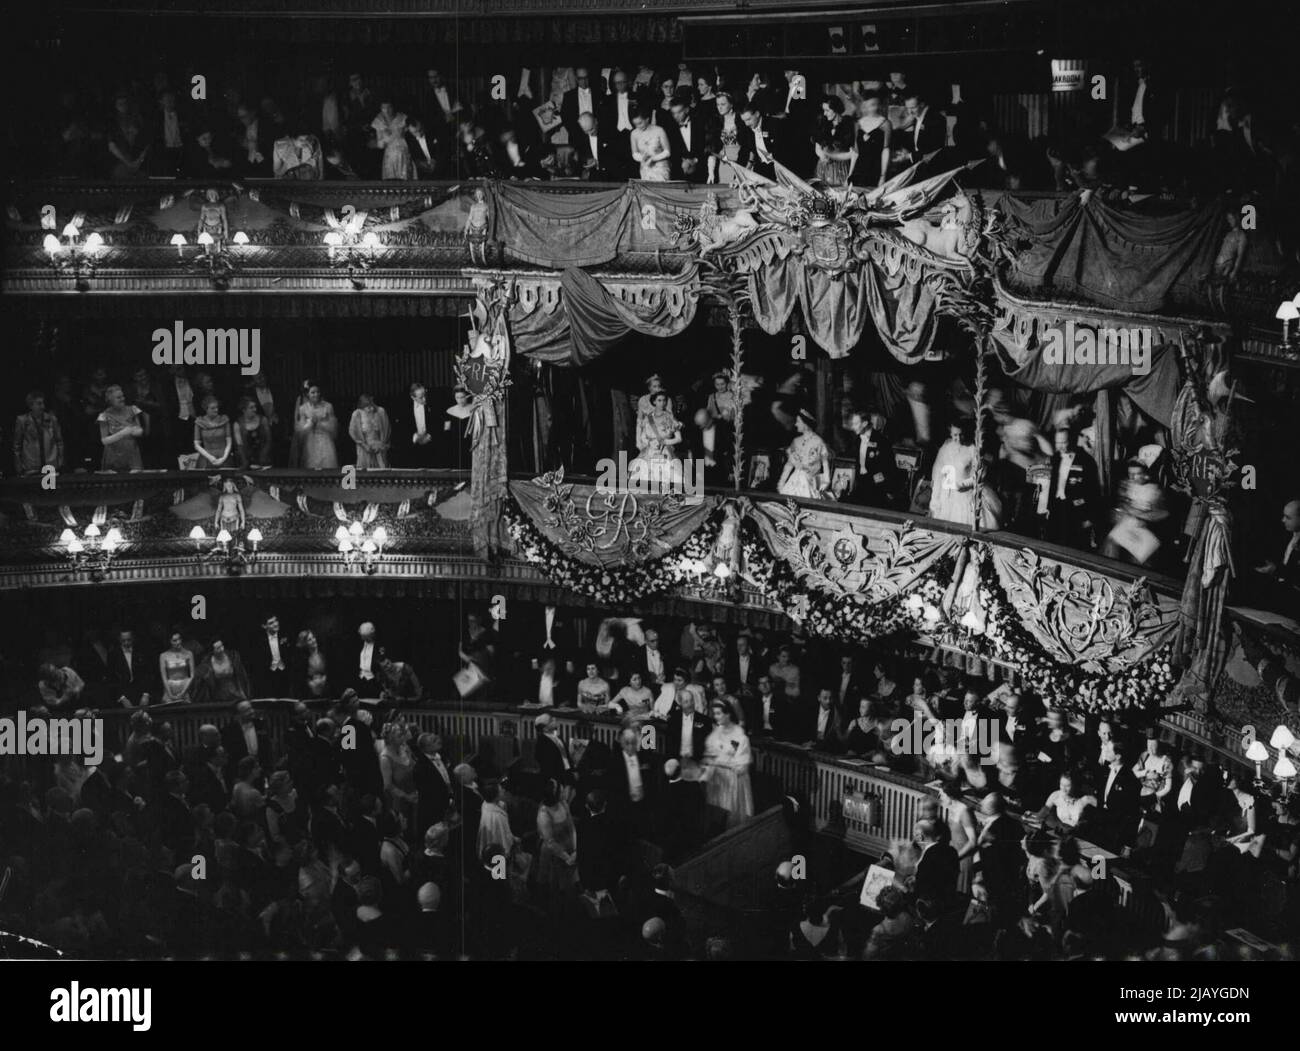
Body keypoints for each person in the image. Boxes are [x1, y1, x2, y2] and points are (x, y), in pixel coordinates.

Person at [701, 697, 753, 827]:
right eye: (714, 714)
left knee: (733, 817)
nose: (716, 717)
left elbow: (741, 766)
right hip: (718, 780)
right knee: (717, 815)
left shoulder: (740, 735)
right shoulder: (715, 734)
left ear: (728, 714)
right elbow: (708, 755)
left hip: (734, 780)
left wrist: (720, 762)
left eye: (719, 713)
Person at [536, 777, 579, 914]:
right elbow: (550, 842)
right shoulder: (544, 815)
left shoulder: (563, 804)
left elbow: (572, 827)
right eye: (560, 790)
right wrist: (567, 857)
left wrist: (576, 849)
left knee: (574, 885)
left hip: (570, 847)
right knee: (558, 890)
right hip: (555, 853)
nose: (563, 792)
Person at [929, 418, 977, 526]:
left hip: (964, 498)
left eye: (961, 435)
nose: (958, 438)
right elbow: (938, 475)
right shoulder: (945, 449)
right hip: (945, 496)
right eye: (955, 435)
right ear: (950, 433)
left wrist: (962, 484)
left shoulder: (972, 449)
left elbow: (978, 476)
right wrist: (935, 499)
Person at [777, 410, 832, 498]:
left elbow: (825, 464)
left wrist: (826, 482)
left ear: (805, 424)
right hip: (793, 481)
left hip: (810, 482)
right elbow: (789, 465)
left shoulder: (818, 442)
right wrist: (781, 484)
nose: (796, 424)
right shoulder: (796, 441)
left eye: (798, 421)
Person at [13, 391, 64, 476]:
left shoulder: (52, 419)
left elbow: (59, 442)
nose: (43, 406)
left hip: (50, 466)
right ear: (31, 405)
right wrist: (19, 466)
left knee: (50, 488)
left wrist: (60, 462)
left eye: (43, 403)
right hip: (31, 467)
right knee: (32, 489)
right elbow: (17, 446)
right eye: (39, 404)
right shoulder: (22, 421)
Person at [98, 385, 146, 472]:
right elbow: (104, 440)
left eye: (123, 396)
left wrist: (136, 431)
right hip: (113, 454)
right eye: (118, 397)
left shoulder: (132, 409)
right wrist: (123, 433)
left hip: (131, 452)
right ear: (110, 400)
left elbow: (139, 430)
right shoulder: (104, 415)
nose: (122, 399)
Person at [848, 93, 891, 190]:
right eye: (869, 105)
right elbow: (856, 152)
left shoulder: (885, 124)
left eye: (874, 105)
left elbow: (886, 151)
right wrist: (850, 174)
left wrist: (883, 176)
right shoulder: (858, 124)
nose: (872, 108)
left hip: (876, 171)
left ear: (879, 105)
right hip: (859, 171)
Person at [293, 383, 339, 470]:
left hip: (325, 439)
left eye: (318, 392)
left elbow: (333, 425)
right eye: (313, 392)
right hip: (311, 440)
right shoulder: (303, 408)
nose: (316, 394)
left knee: (327, 464)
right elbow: (301, 429)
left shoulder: (328, 406)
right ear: (308, 394)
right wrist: (311, 423)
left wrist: (320, 424)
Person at [193, 637, 250, 704]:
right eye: (218, 648)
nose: (221, 649)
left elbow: (242, 676)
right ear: (213, 650)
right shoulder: (207, 663)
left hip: (236, 694)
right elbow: (198, 675)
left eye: (222, 646)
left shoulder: (233, 657)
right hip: (217, 697)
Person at [813, 94, 854, 185]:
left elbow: (853, 154)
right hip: (823, 169)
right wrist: (822, 155)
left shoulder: (848, 125)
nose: (824, 113)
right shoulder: (823, 123)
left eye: (827, 110)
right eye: (824, 110)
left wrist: (831, 155)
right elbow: (817, 146)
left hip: (841, 169)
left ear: (836, 109)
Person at [372, 101, 415, 180]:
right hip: (389, 157)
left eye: (389, 107)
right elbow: (380, 145)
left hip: (403, 154)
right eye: (384, 108)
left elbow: (413, 134)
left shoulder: (402, 118)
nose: (387, 111)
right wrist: (385, 137)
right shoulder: (379, 121)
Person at [348, 393, 391, 469]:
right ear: (362, 406)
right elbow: (353, 432)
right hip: (365, 449)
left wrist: (381, 445)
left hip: (379, 449)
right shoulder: (357, 414)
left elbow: (386, 430)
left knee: (382, 471)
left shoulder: (380, 412)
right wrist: (365, 446)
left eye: (372, 405)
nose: (371, 409)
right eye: (367, 407)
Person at [629, 104, 671, 181]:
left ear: (647, 119)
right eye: (635, 124)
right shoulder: (634, 133)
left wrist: (653, 159)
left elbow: (667, 152)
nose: (638, 126)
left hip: (661, 168)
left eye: (640, 123)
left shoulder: (659, 130)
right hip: (645, 168)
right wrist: (642, 158)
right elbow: (634, 154)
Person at [193, 395, 233, 469]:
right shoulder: (200, 422)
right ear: (206, 409)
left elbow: (229, 442)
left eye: (217, 407)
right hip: (206, 457)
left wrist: (224, 458)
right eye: (213, 408)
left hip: (223, 457)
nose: (216, 410)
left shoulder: (224, 420)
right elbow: (196, 444)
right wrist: (210, 458)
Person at [232, 397, 273, 469]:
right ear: (244, 410)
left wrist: (263, 457)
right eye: (251, 407)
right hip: (246, 461)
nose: (255, 409)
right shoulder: (237, 424)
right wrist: (245, 462)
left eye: (255, 407)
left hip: (264, 460)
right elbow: (239, 445)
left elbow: (268, 440)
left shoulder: (263, 420)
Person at [158, 630, 197, 703]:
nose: (178, 642)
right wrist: (170, 694)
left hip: (185, 687)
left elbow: (192, 675)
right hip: (169, 688)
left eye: (179, 639)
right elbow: (164, 677)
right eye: (175, 640)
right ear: (170, 641)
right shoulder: (163, 656)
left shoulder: (189, 654)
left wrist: (183, 693)